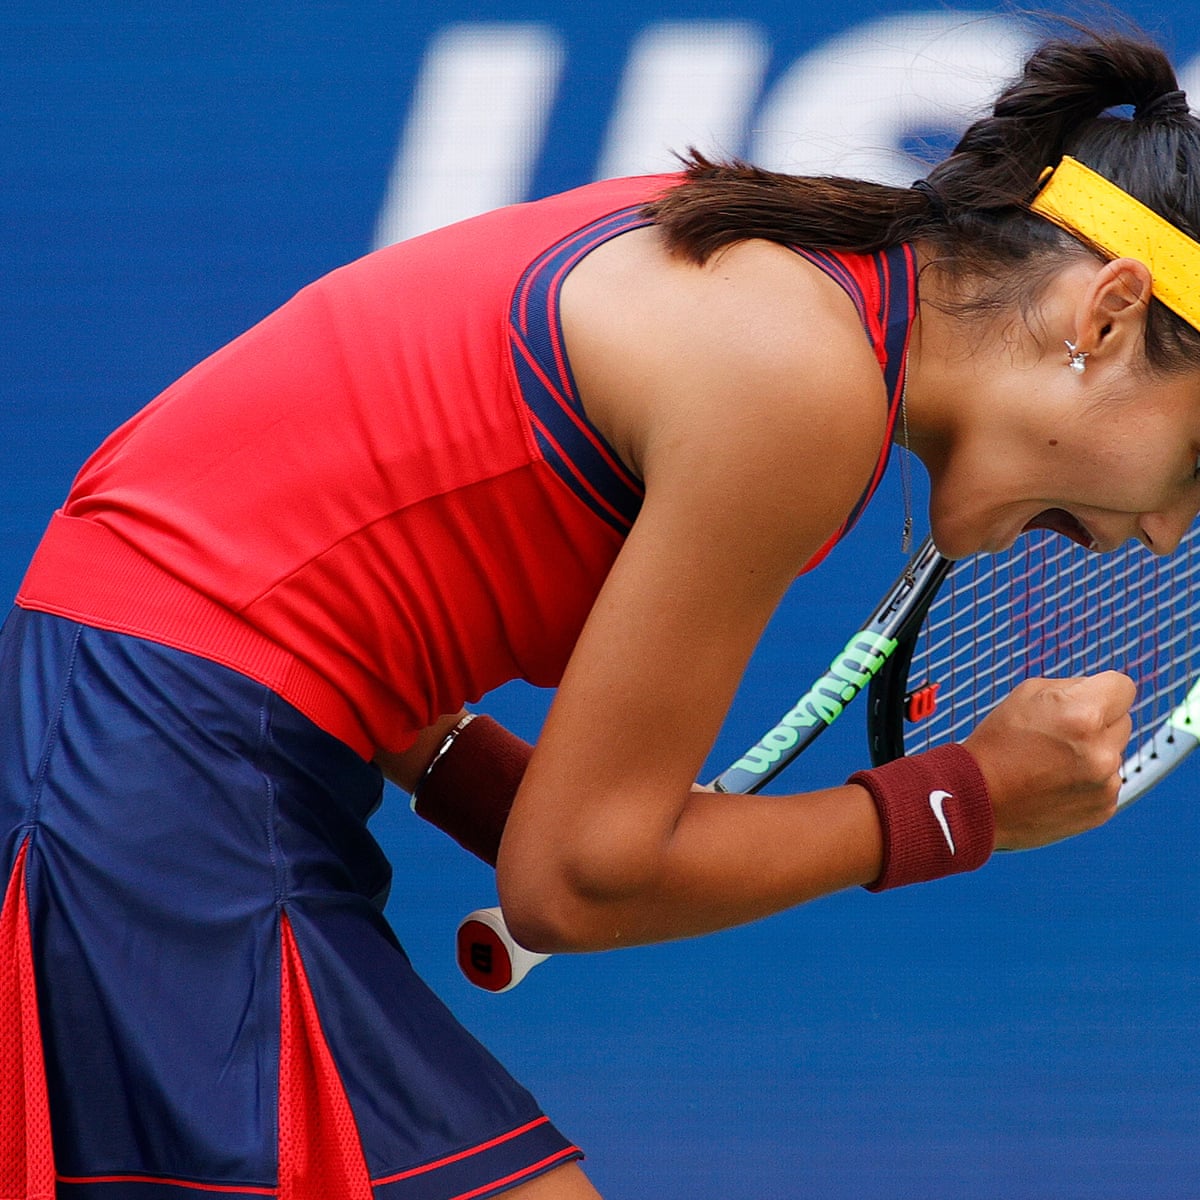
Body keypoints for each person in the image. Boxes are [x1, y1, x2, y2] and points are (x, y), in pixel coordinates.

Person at [3, 23, 1200, 1200]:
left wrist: (481, 783)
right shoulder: (799, 381)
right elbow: (577, 883)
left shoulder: (775, 273)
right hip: (160, 770)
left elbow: (282, 540)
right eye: (1194, 465)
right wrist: (961, 802)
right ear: (1104, 314)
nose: (1163, 532)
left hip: (121, 731)